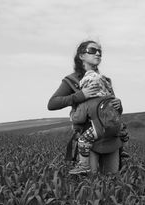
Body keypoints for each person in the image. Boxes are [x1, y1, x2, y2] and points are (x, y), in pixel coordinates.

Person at [47, 40, 128, 174]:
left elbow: (111, 110)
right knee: (90, 178)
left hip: (110, 137)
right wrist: (80, 95)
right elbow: (52, 104)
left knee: (112, 178)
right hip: (89, 138)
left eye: (99, 52)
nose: (97, 54)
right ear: (81, 56)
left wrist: (118, 105)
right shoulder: (72, 80)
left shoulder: (105, 80)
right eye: (92, 50)